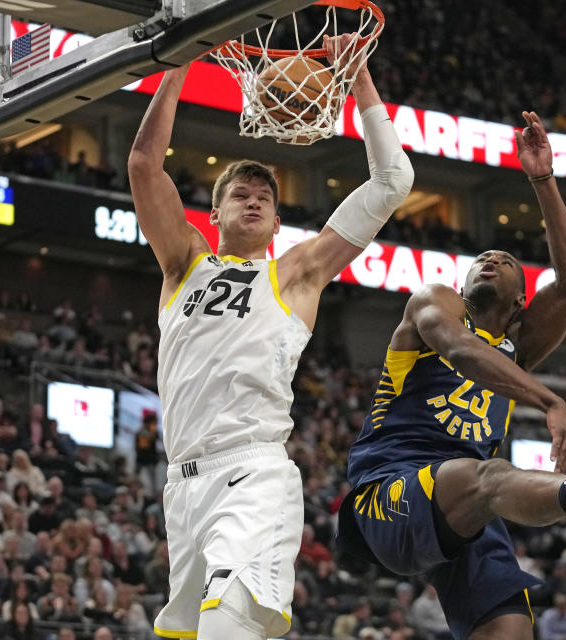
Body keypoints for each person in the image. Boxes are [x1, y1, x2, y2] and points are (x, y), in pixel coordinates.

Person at [336, 112, 566, 640]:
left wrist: (542, 180)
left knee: (512, 628)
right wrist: (550, 402)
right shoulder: (435, 304)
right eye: (482, 258)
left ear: (522, 299)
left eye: (505, 259)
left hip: (468, 506)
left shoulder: (517, 348)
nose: (490, 259)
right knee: (488, 477)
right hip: (391, 488)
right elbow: (461, 349)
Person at [128, 32, 412, 640]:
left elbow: (393, 180)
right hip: (182, 487)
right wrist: (177, 60)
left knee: (227, 630)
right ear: (214, 213)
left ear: (278, 221)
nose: (252, 201)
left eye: (264, 197)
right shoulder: (184, 264)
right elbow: (143, 166)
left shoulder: (297, 272)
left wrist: (355, 74)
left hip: (252, 474)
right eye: (239, 194)